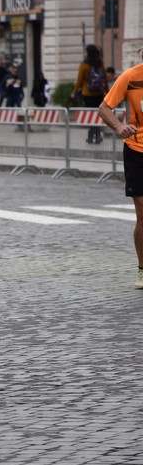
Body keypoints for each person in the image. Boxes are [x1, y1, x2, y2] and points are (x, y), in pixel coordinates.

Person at [98, 48, 143, 289]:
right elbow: (104, 108)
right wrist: (118, 127)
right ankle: (142, 269)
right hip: (137, 150)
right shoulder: (129, 77)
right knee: (142, 213)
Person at [71, 44, 107, 144]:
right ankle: (98, 135)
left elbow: (79, 80)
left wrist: (74, 92)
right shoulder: (100, 63)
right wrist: (107, 91)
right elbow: (105, 79)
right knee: (98, 115)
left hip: (87, 94)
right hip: (99, 93)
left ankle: (91, 136)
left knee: (90, 115)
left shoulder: (84, 65)